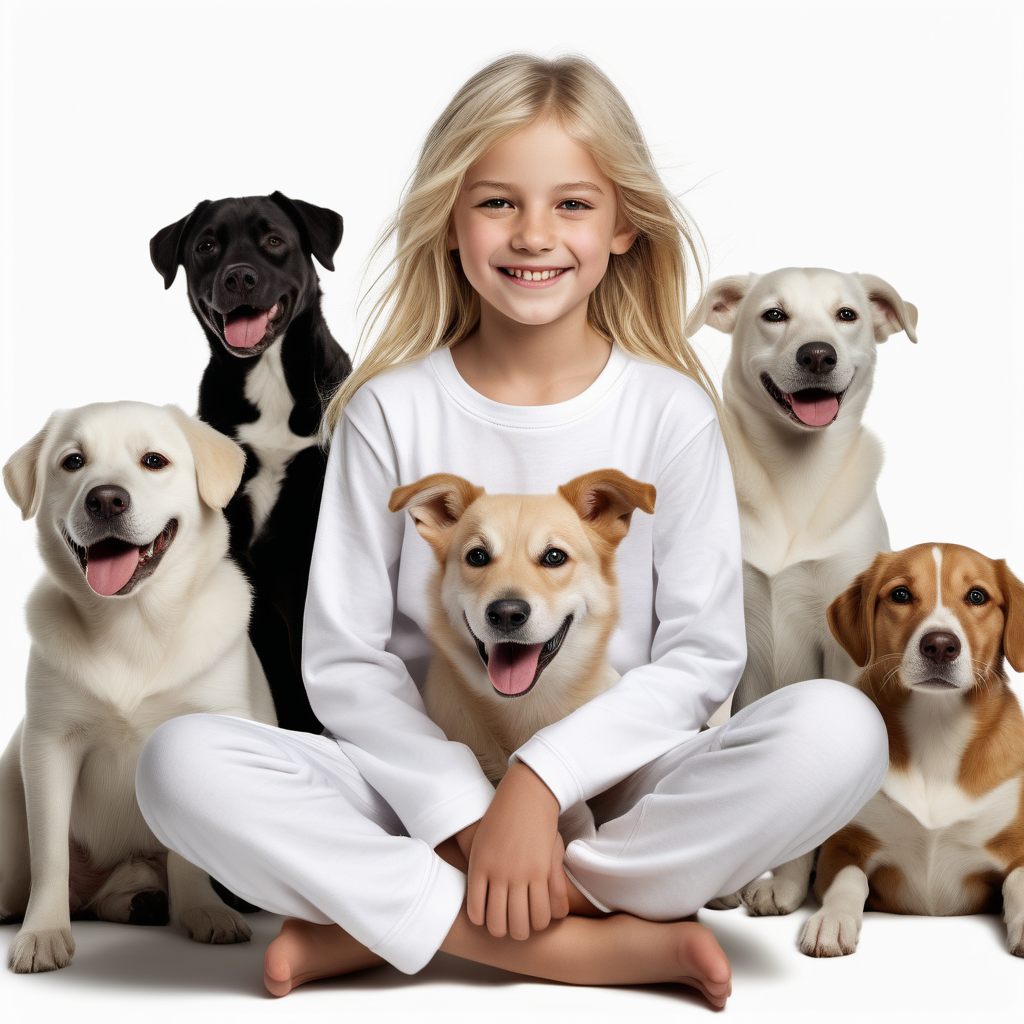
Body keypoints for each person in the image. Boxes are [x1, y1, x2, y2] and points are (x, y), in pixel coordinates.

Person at [136, 54, 888, 1009]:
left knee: (842, 728)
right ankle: (577, 944)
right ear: (451, 222)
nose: (535, 234)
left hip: (615, 790)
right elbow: (343, 662)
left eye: (572, 205)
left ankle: (401, 924)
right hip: (416, 787)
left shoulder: (672, 412)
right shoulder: (385, 409)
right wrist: (462, 813)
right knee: (180, 763)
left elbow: (700, 656)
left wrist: (540, 786)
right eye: (498, 203)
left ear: (624, 228)